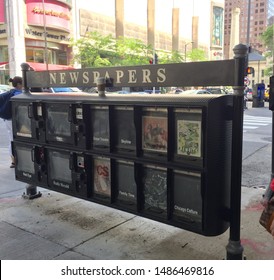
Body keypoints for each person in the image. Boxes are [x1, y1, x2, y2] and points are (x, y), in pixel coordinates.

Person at [0, 76, 23, 167]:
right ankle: (17, 159)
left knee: (11, 139)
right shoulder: (18, 93)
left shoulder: (8, 92)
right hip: (15, 120)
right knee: (18, 139)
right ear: (18, 84)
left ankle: (13, 160)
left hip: (7, 119)